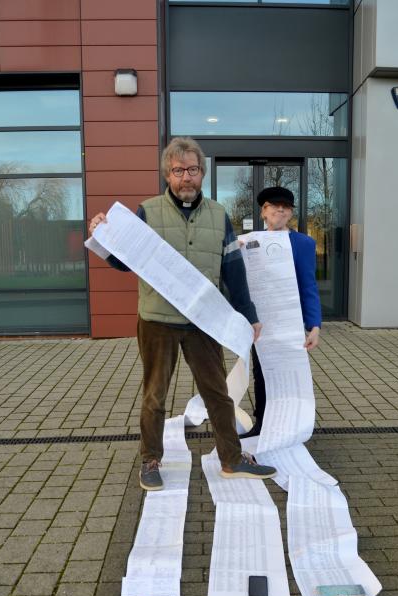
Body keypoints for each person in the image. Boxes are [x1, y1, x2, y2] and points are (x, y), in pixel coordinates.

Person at [88, 137, 276, 490]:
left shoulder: (219, 216)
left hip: (204, 321)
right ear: (167, 174)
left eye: (192, 169)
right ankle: (150, 460)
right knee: (154, 393)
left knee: (217, 392)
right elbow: (123, 262)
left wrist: (248, 314)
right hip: (157, 320)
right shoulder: (147, 211)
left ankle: (232, 459)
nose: (185, 177)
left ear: (202, 173)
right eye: (178, 171)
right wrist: (102, 236)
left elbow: (233, 270)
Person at [241, 185, 322, 439]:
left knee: (290, 374)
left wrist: (314, 326)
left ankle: (289, 424)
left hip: (289, 324)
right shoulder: (250, 242)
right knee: (261, 374)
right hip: (261, 324)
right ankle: (262, 424)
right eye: (273, 205)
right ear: (263, 211)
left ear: (291, 213)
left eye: (285, 206)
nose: (280, 209)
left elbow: (309, 285)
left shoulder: (304, 243)